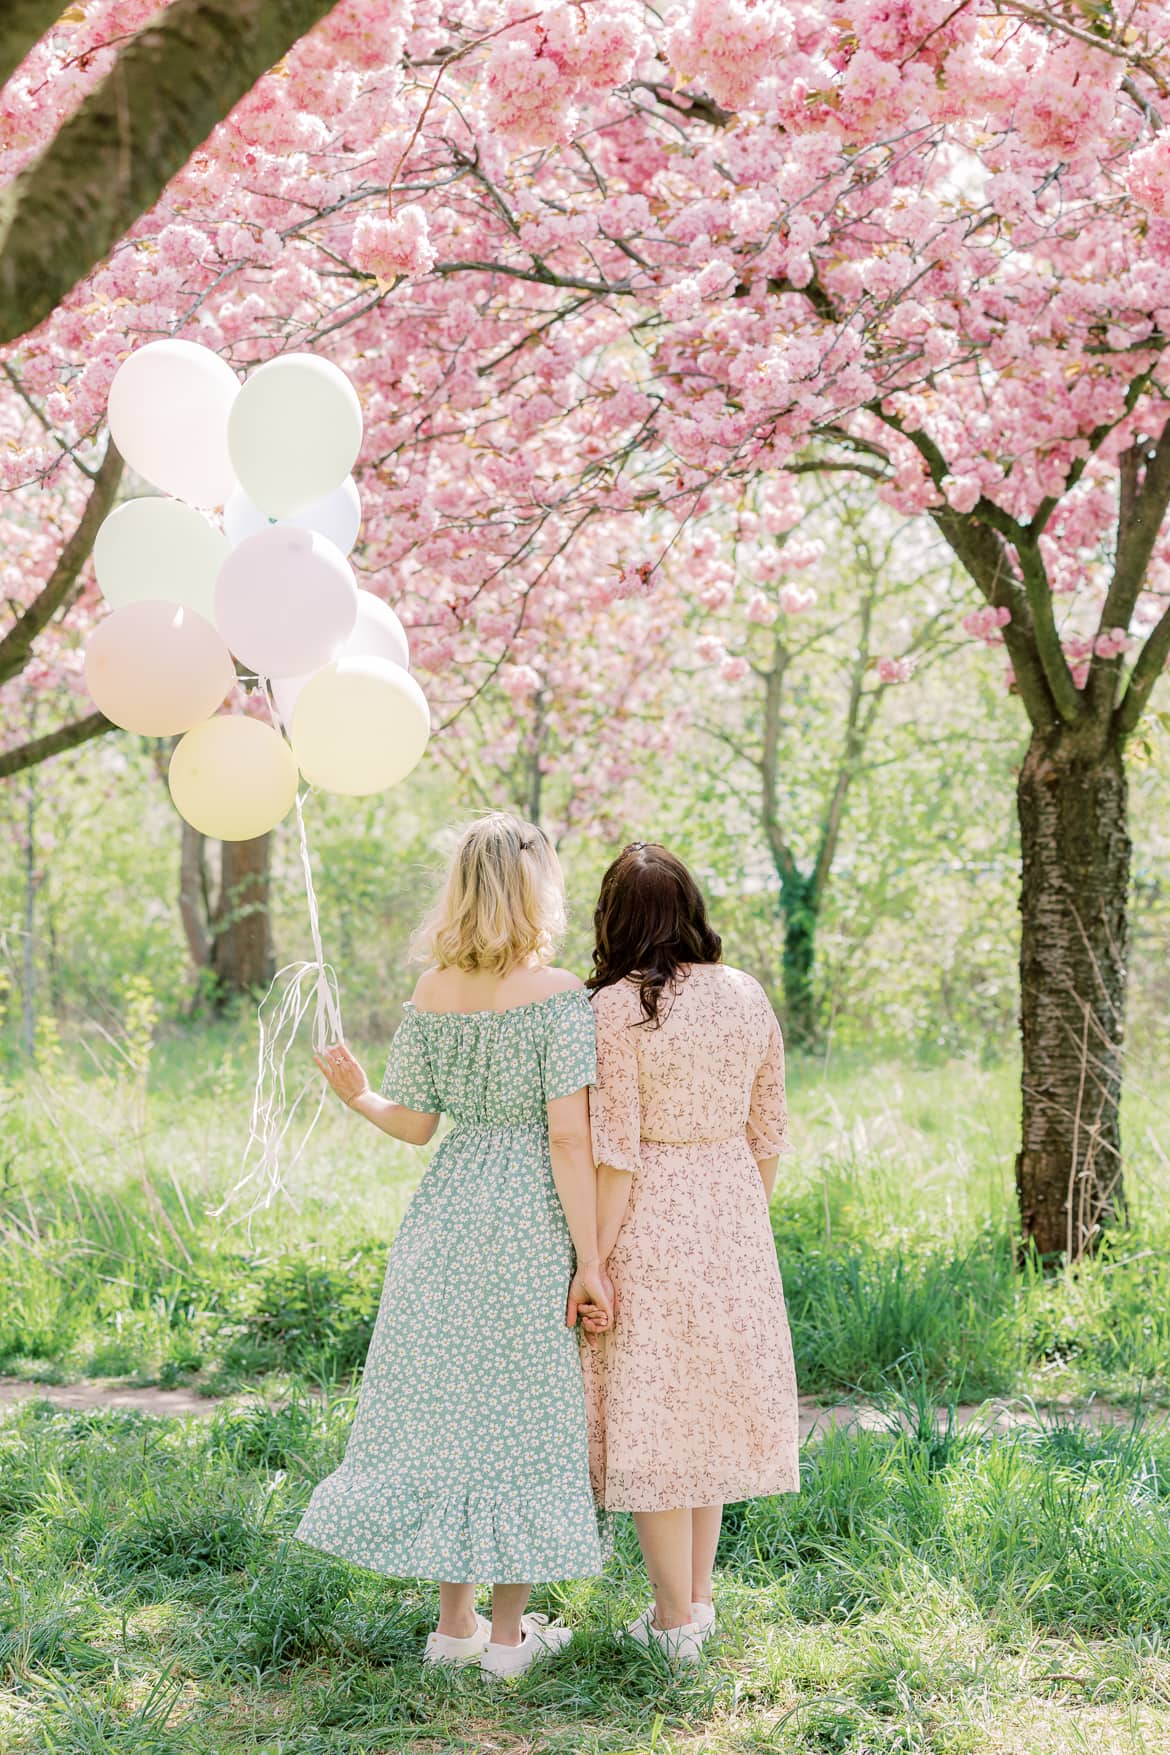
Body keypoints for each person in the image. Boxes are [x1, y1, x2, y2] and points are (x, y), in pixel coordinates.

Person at [299, 812, 612, 1678]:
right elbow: (567, 1142)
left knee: (448, 1412)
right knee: (521, 1414)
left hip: (445, 1218)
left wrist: (358, 1095)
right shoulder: (559, 996)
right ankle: (508, 1642)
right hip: (526, 1220)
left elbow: (416, 1125)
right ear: (534, 887)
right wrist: (589, 1259)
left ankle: (452, 1629)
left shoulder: (434, 990)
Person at [578, 841, 799, 1664]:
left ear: (616, 918)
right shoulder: (745, 993)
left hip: (650, 1218)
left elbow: (617, 1151)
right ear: (692, 908)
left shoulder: (614, 1008)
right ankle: (693, 1606)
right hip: (735, 1208)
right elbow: (769, 1128)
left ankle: (674, 1623)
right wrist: (739, 1213)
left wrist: (592, 1258)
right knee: (701, 1419)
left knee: (652, 1423)